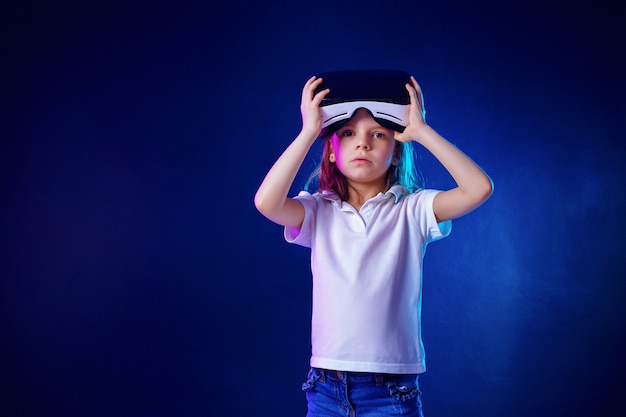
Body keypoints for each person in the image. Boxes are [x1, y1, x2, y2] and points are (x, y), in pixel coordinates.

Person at [254, 73, 493, 417]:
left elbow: (478, 189)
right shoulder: (318, 209)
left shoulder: (414, 208)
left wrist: (422, 132)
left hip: (391, 391)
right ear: (332, 152)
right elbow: (267, 203)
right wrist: (308, 132)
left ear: (395, 153)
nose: (362, 143)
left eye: (378, 134)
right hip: (325, 386)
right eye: (348, 134)